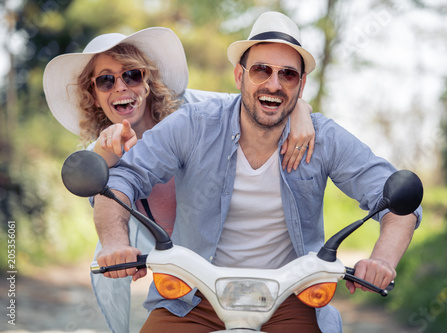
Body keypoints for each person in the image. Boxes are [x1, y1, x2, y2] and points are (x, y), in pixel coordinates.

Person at [93, 11, 422, 333]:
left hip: (289, 299)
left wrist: (381, 261)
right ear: (239, 76)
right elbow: (122, 177)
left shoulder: (324, 139)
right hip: (193, 298)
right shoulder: (195, 124)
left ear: (301, 84)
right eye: (261, 70)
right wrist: (114, 242)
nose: (274, 84)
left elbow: (397, 198)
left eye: (288, 75)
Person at [43, 27, 316, 332]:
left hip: (249, 265)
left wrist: (301, 109)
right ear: (93, 95)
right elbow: (104, 196)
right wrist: (114, 242)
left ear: (148, 82)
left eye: (132, 75)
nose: (121, 87)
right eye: (106, 80)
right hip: (186, 281)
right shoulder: (102, 150)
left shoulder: (192, 111)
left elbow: (258, 103)